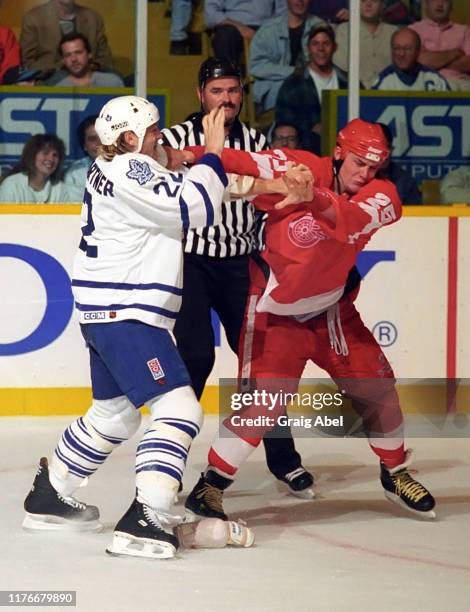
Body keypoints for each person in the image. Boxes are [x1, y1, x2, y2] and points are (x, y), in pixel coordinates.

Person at [183, 119, 436, 521]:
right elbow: (243, 161)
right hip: (274, 314)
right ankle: (210, 485)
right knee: (263, 405)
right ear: (338, 152)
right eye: (358, 163)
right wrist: (183, 156)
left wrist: (311, 197)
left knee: (379, 387)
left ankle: (395, 471)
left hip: (332, 312)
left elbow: (350, 219)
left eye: (373, 167)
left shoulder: (383, 194)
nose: (365, 174)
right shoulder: (301, 165)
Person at [21, 97, 234, 560]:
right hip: (129, 313)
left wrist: (190, 165)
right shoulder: (131, 171)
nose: (161, 137)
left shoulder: (112, 167)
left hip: (105, 315)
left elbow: (171, 185)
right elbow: (193, 208)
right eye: (154, 131)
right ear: (131, 138)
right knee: (180, 408)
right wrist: (214, 152)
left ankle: (51, 495)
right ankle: (147, 515)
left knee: (115, 415)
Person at [160, 56, 314, 498]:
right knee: (194, 359)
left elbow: (268, 201)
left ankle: (284, 461)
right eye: (217, 91)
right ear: (200, 94)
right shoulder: (174, 139)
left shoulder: (255, 141)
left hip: (239, 265)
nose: (226, 99)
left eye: (233, 90)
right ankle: (168, 462)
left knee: (262, 366)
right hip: (189, 263)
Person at [275, 23, 348, 154]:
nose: (321, 48)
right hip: (307, 152)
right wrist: (311, 127)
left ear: (334, 47)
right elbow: (284, 121)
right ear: (308, 48)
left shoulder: (348, 81)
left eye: (326, 43)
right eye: (315, 44)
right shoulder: (293, 84)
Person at [248, 0, 322, 112]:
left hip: (311, 88)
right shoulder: (268, 30)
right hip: (276, 89)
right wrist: (294, 71)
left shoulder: (320, 28)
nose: (300, 1)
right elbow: (256, 67)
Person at [20, 0, 114, 73]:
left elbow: (105, 60)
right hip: (49, 77)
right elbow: (27, 63)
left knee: (115, 78)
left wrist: (90, 67)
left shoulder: (93, 17)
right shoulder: (33, 18)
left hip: (90, 76)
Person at [334, 0, 397, 88]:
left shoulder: (394, 32)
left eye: (374, 1)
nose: (368, 4)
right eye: (363, 1)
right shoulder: (344, 31)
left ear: (382, 5)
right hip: (355, 93)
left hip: (390, 93)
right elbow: (341, 70)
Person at [409, 0, 470, 91]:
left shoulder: (465, 31)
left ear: (451, 5)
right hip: (423, 84)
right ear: (426, 3)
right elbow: (419, 62)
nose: (440, 4)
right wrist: (454, 53)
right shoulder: (412, 30)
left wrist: (435, 62)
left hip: (460, 84)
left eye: (445, 0)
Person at [204, 0, 286, 66]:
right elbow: (211, 13)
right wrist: (241, 28)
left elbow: (283, 11)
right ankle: (228, 80)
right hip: (232, 25)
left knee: (285, 35)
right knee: (225, 38)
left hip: (266, 26)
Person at [0, 133, 72, 203]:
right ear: (32, 155)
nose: (51, 159)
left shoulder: (60, 189)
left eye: (55, 155)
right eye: (45, 153)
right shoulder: (12, 184)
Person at [372, 26, 450, 90]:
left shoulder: (434, 79)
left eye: (408, 49)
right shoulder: (384, 81)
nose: (401, 54)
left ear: (418, 51)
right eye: (397, 48)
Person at [45, 33, 123, 87]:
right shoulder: (57, 88)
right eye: (68, 55)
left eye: (78, 52)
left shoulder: (112, 82)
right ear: (63, 60)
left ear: (89, 54)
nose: (74, 59)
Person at [64, 115, 101, 201]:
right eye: (93, 139)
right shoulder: (74, 175)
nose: (100, 143)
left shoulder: (128, 168)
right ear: (84, 146)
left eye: (104, 137)